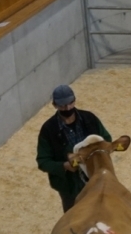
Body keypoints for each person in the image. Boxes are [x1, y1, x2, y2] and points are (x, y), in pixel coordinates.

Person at [36, 85, 111, 213]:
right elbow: (43, 161)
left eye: (70, 103)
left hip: (96, 178)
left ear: (75, 100)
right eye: (63, 106)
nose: (68, 108)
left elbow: (106, 139)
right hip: (70, 187)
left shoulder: (89, 118)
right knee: (75, 220)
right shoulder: (49, 129)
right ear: (54, 105)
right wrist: (64, 166)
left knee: (103, 213)